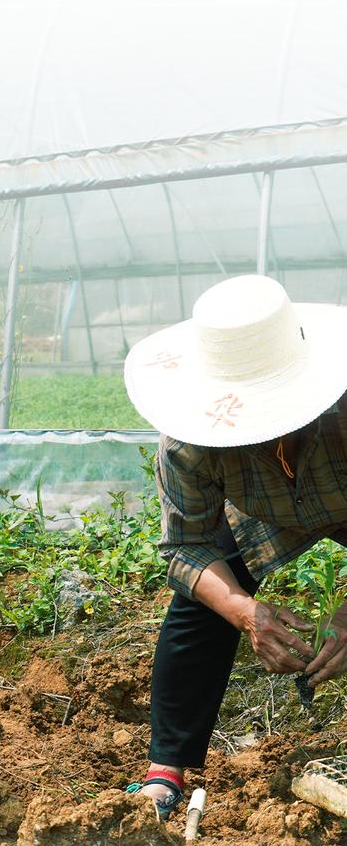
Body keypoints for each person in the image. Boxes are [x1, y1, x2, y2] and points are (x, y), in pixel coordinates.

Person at [122, 274, 347, 816]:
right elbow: (188, 547)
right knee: (204, 603)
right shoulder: (189, 439)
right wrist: (246, 612)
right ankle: (164, 771)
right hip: (263, 513)